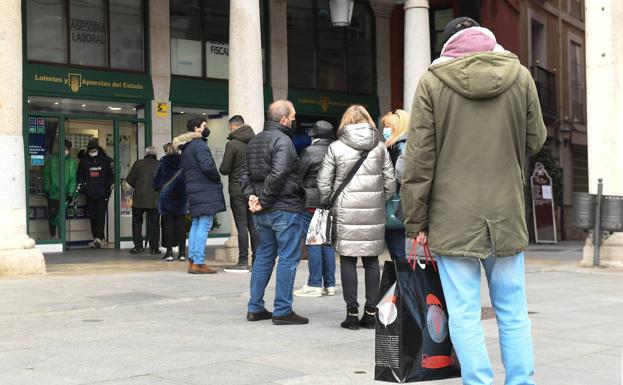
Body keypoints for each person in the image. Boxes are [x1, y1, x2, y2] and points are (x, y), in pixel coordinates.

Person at [401, 18, 546, 385]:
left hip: (452, 217)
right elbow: (535, 140)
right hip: (505, 213)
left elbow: (419, 159)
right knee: (513, 311)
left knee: (464, 313)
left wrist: (416, 222)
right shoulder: (520, 76)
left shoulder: (432, 83)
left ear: (447, 47)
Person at [317, 105, 396, 330]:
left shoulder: (336, 147)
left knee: (348, 260)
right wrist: (377, 201)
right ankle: (371, 313)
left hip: (344, 210)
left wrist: (331, 202)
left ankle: (351, 313)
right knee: (372, 261)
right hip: (374, 210)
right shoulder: (380, 148)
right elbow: (390, 183)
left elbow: (323, 181)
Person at [240, 100, 308, 325]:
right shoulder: (283, 140)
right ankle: (282, 311)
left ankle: (255, 307)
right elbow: (279, 173)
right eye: (294, 115)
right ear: (284, 119)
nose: (295, 119)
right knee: (288, 259)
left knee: (263, 256)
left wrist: (253, 198)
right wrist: (262, 200)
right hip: (284, 208)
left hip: (263, 211)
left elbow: (244, 174)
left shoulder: (255, 140)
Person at [173, 117, 225, 274]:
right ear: (196, 128)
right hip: (205, 189)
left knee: (197, 223)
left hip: (194, 189)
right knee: (204, 224)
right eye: (204, 126)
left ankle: (193, 261)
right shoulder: (200, 145)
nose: (206, 128)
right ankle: (199, 262)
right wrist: (217, 177)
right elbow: (208, 166)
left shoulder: (187, 147)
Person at [293, 120, 337, 298]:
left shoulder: (310, 152)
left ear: (314, 135)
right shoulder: (337, 150)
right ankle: (330, 284)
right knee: (326, 242)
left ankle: (314, 283)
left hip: (311, 202)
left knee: (313, 241)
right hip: (331, 202)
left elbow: (298, 175)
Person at [219, 115, 259, 273]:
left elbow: (224, 169)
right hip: (253, 190)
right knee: (253, 226)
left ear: (233, 126)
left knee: (242, 226)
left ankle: (243, 261)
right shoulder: (255, 142)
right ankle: (257, 260)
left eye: (229, 128)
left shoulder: (232, 144)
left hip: (237, 190)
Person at [381, 110, 410, 262]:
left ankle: (405, 285)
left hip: (396, 205)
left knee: (399, 255)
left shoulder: (398, 147)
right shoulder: (403, 145)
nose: (385, 130)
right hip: (399, 204)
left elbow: (400, 177)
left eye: (388, 126)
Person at [153, 143, 187, 262]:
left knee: (168, 225)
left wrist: (158, 187)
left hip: (167, 196)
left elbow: (156, 180)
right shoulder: (183, 161)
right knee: (181, 225)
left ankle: (169, 252)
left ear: (166, 150)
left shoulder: (163, 161)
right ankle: (182, 252)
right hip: (181, 195)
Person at [77, 138, 114, 249]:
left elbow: (113, 176)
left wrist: (107, 189)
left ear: (98, 149)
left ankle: (99, 238)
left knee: (100, 216)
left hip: (103, 194)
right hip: (90, 193)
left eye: (94, 150)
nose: (92, 153)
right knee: (93, 216)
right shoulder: (84, 161)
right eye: (90, 151)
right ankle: (97, 238)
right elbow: (80, 175)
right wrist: (83, 187)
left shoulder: (107, 160)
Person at [126, 146, 161, 255]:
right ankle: (154, 248)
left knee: (137, 223)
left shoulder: (138, 164)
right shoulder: (160, 164)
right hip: (154, 199)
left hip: (139, 199)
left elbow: (130, 180)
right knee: (154, 224)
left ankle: (138, 247)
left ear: (145, 154)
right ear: (156, 154)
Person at [42, 140, 78, 238]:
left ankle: (61, 239)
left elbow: (73, 179)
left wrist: (71, 193)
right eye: (63, 148)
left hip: (65, 194)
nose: (65, 151)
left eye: (67, 149)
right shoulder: (52, 159)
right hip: (53, 193)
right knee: (52, 215)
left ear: (69, 150)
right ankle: (53, 236)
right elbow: (46, 175)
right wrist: (47, 188)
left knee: (61, 217)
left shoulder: (72, 162)